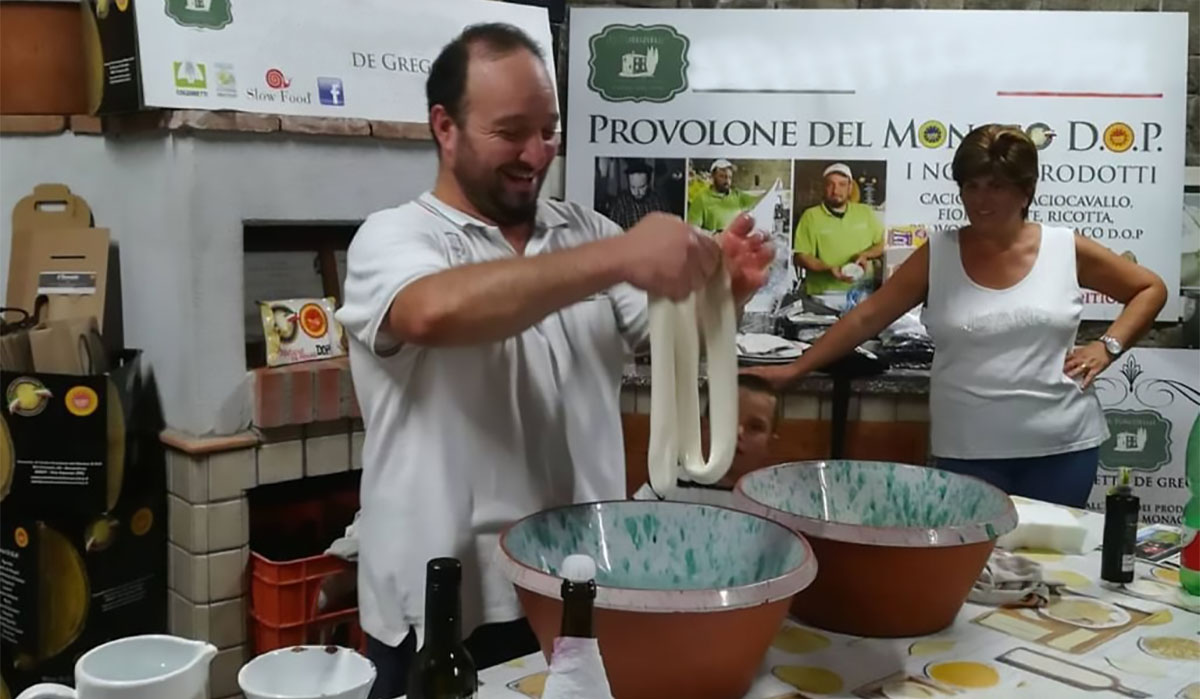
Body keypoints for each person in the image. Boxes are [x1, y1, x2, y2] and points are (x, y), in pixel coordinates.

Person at [334, 23, 773, 699]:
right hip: (446, 602)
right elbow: (431, 312)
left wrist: (720, 295)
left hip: (574, 584)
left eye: (548, 130)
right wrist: (620, 255)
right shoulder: (394, 237)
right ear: (445, 127)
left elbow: (657, 333)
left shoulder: (584, 232)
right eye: (511, 131)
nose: (536, 153)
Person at [748, 125, 1167, 509]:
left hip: (1062, 446)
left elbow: (1149, 289)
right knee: (973, 562)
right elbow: (866, 318)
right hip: (968, 449)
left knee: (1049, 563)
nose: (980, 200)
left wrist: (1107, 347)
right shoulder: (939, 253)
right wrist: (796, 369)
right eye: (971, 186)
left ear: (1025, 190)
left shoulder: (1064, 248)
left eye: (996, 186)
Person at [632, 374, 780, 506]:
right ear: (703, 428)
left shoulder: (778, 500)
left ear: (771, 444)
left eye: (755, 427)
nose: (737, 432)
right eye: (727, 420)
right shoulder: (667, 484)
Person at [793, 163, 885, 295]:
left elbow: (882, 243)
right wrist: (828, 268)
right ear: (824, 187)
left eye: (842, 184)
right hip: (823, 295)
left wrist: (865, 255)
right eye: (830, 184)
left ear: (850, 187)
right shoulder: (810, 216)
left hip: (862, 293)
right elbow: (802, 256)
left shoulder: (865, 212)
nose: (836, 191)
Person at [687, 159, 763, 233]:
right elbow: (692, 230)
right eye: (722, 176)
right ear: (713, 176)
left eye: (729, 177)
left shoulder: (738, 196)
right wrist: (714, 234)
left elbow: (759, 200)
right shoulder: (701, 199)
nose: (727, 181)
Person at [601, 160, 672, 230]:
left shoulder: (658, 202)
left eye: (641, 187)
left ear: (648, 184)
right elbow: (613, 232)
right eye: (633, 187)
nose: (637, 192)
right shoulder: (620, 204)